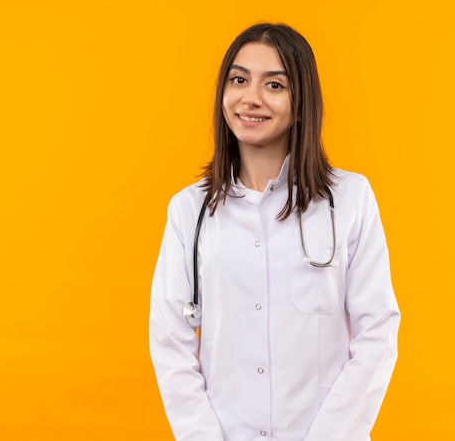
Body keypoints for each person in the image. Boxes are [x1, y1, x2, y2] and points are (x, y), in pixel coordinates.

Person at [149, 22, 400, 441]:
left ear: (301, 103)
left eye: (275, 85)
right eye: (239, 79)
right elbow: (169, 341)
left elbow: (378, 330)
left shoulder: (351, 199)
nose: (252, 98)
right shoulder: (189, 210)